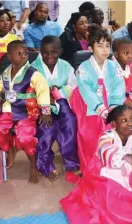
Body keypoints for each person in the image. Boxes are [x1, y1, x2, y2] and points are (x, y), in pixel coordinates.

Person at [0, 40, 52, 184]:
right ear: (9, 56)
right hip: (9, 110)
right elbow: (0, 86)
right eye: (18, 54)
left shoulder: (34, 74)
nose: (23, 56)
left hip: (26, 111)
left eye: (25, 53)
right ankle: (9, 149)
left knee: (25, 138)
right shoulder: (6, 72)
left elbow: (43, 91)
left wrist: (46, 111)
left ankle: (33, 166)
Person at [69, 29, 125, 173]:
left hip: (111, 105)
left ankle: (111, 166)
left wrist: (114, 107)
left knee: (115, 134)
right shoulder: (83, 68)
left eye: (107, 45)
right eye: (100, 45)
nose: (105, 49)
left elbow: (118, 86)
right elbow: (86, 91)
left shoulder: (114, 66)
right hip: (90, 106)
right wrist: (100, 108)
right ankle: (90, 169)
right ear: (90, 48)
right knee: (90, 137)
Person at [31, 36, 80, 182]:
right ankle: (45, 165)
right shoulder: (33, 67)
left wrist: (57, 92)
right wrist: (45, 96)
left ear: (60, 51)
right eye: (45, 52)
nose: (49, 56)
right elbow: (30, 89)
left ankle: (72, 163)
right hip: (42, 107)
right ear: (40, 51)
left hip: (62, 102)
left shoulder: (66, 66)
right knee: (46, 130)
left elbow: (73, 85)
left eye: (54, 52)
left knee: (70, 123)